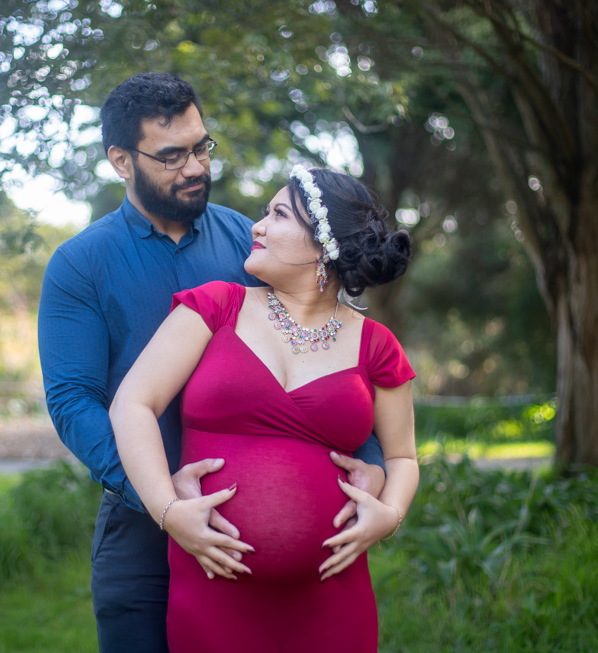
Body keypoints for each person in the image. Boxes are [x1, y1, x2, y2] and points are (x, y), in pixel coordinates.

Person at [37, 73, 386, 652]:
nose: (195, 167)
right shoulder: (79, 265)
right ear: (122, 161)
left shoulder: (249, 246)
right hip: (139, 531)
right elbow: (73, 401)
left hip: (276, 560)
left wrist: (369, 461)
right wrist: (164, 499)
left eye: (202, 146)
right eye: (172, 156)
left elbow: (326, 348)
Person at [109, 166, 420, 652]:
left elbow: (402, 456)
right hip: (214, 590)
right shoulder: (215, 307)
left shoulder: (377, 345)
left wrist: (390, 514)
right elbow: (133, 404)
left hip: (333, 598)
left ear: (323, 245)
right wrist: (168, 511)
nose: (256, 226)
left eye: (277, 214)